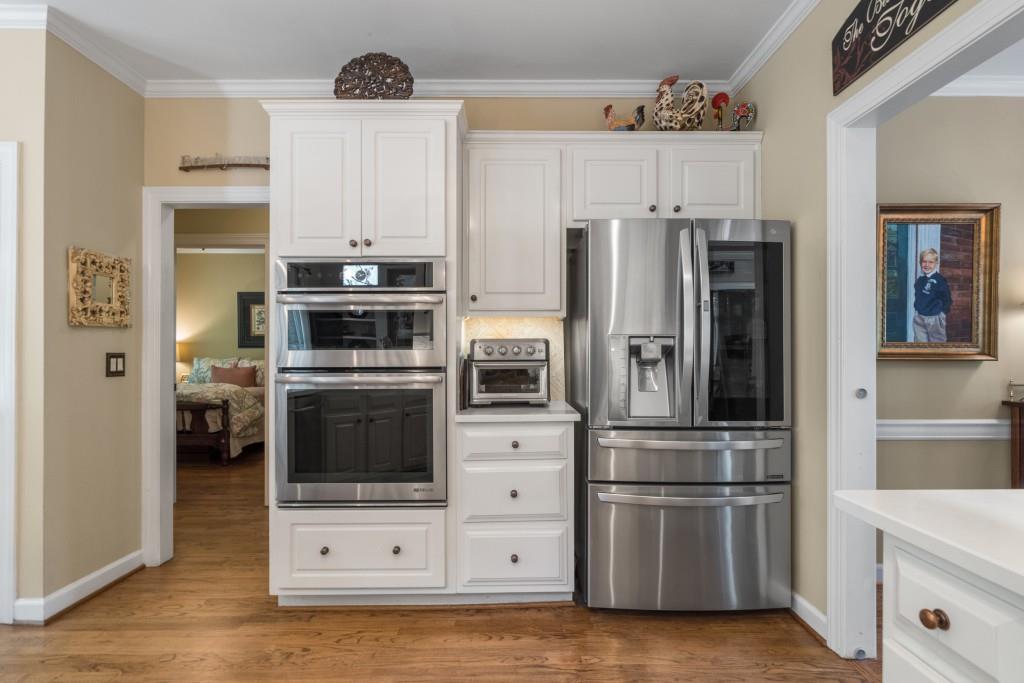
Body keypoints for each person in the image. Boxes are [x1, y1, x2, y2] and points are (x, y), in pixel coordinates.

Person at [913, 248, 951, 342]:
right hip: (919, 317)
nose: (926, 265)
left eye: (930, 262)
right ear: (920, 262)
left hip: (934, 318)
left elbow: (947, 300)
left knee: (936, 345)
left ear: (936, 263)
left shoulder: (939, 280)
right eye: (924, 261)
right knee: (919, 344)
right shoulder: (920, 280)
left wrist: (941, 313)